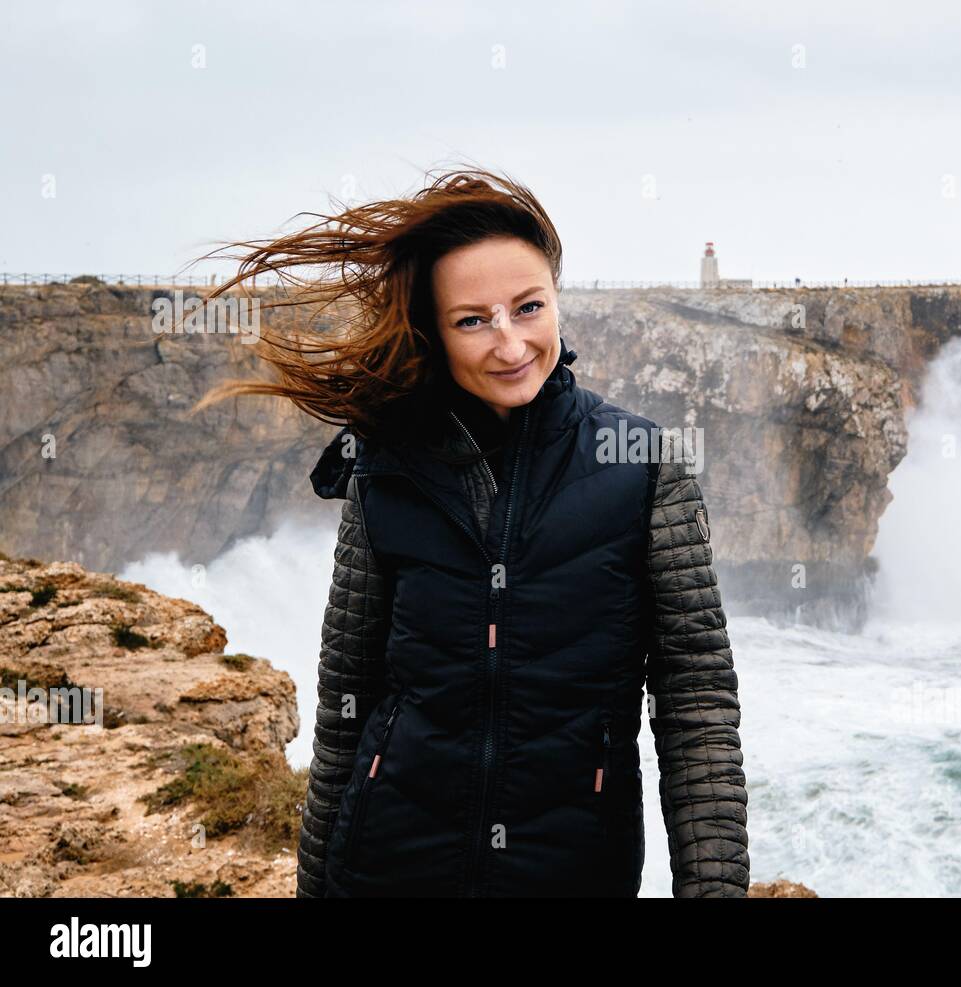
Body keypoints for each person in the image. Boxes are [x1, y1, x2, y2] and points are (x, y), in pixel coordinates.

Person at [191, 167, 750, 897]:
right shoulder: (384, 468)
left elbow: (696, 707)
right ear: (435, 331)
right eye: (472, 320)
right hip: (388, 868)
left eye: (528, 307)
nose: (510, 342)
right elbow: (346, 707)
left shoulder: (643, 468)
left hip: (573, 872)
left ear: (557, 298)